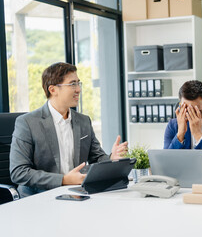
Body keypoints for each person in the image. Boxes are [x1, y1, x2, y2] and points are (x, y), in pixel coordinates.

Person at [10, 62, 128, 198]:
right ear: (53, 89)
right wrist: (64, 180)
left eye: (79, 83)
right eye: (72, 84)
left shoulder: (83, 121)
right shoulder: (27, 123)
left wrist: (111, 159)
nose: (78, 89)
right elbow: (18, 172)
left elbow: (97, 158)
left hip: (75, 194)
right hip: (39, 197)